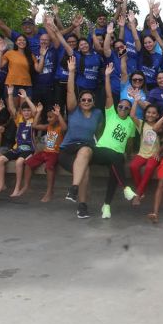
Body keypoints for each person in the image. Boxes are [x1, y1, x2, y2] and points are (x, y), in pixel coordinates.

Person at [60, 56, 104, 219]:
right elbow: (70, 91)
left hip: (85, 149)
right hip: (67, 151)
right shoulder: (73, 111)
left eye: (89, 100)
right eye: (83, 99)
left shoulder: (98, 114)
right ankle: (81, 206)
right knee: (84, 171)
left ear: (93, 102)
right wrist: (71, 72)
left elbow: (98, 132)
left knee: (85, 150)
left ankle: (74, 189)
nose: (86, 101)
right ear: (79, 102)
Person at [93, 62, 139, 219]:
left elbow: (130, 143)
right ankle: (126, 188)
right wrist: (107, 76)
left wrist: (130, 154)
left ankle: (106, 206)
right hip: (100, 151)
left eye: (127, 108)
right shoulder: (111, 114)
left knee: (115, 171)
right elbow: (108, 95)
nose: (123, 109)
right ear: (117, 107)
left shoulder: (130, 124)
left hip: (116, 157)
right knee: (115, 157)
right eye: (121, 106)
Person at [21, 104, 66, 202]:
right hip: (45, 152)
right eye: (47, 117)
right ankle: (26, 186)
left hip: (55, 153)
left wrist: (59, 115)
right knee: (28, 163)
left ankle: (49, 191)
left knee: (49, 167)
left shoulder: (60, 128)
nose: (48, 119)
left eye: (51, 117)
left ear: (57, 118)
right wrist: (39, 112)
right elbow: (34, 125)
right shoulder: (48, 126)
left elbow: (65, 128)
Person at [128, 104, 160, 206]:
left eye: (153, 113)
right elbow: (132, 116)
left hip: (154, 155)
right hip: (142, 153)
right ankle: (141, 191)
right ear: (145, 114)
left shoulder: (160, 126)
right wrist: (136, 101)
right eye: (148, 112)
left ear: (157, 115)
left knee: (149, 168)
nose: (151, 114)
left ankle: (138, 195)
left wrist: (158, 152)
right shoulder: (141, 124)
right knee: (133, 166)